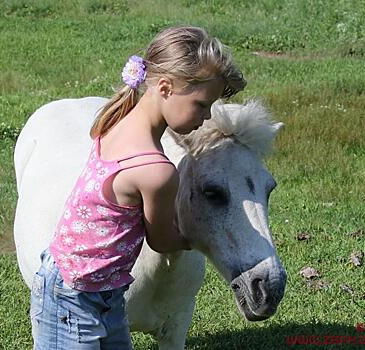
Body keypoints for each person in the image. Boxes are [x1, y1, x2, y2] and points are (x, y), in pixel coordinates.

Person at [29, 25, 246, 349]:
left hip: (101, 289)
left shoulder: (118, 117)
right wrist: (209, 234)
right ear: (164, 87)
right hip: (72, 299)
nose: (207, 116)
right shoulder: (155, 171)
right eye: (201, 104)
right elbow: (162, 241)